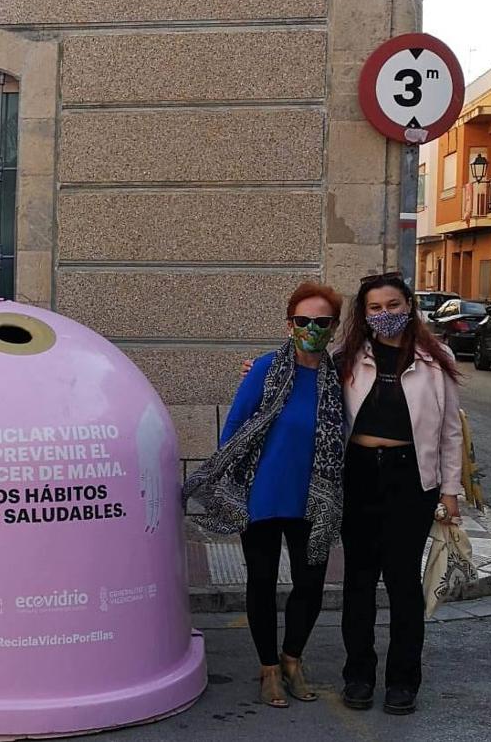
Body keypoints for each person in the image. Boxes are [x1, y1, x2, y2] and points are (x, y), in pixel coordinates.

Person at [183, 281, 346, 709]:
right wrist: (233, 484)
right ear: (289, 322)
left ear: (334, 327)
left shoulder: (340, 379)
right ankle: (268, 668)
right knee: (261, 582)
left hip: (315, 499)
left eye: (322, 322)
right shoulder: (264, 368)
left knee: (310, 584)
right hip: (262, 496)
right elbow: (235, 426)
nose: (312, 328)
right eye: (303, 320)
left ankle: (293, 659)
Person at [337, 272, 463, 716]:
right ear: (364, 313)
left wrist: (451, 491)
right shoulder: (347, 356)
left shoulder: (436, 358)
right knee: (358, 581)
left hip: (411, 479)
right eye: (374, 308)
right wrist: (257, 371)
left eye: (392, 305)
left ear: (408, 305)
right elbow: (303, 381)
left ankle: (403, 681)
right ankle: (358, 674)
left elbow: (450, 431)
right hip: (358, 475)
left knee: (403, 583)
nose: (384, 315)